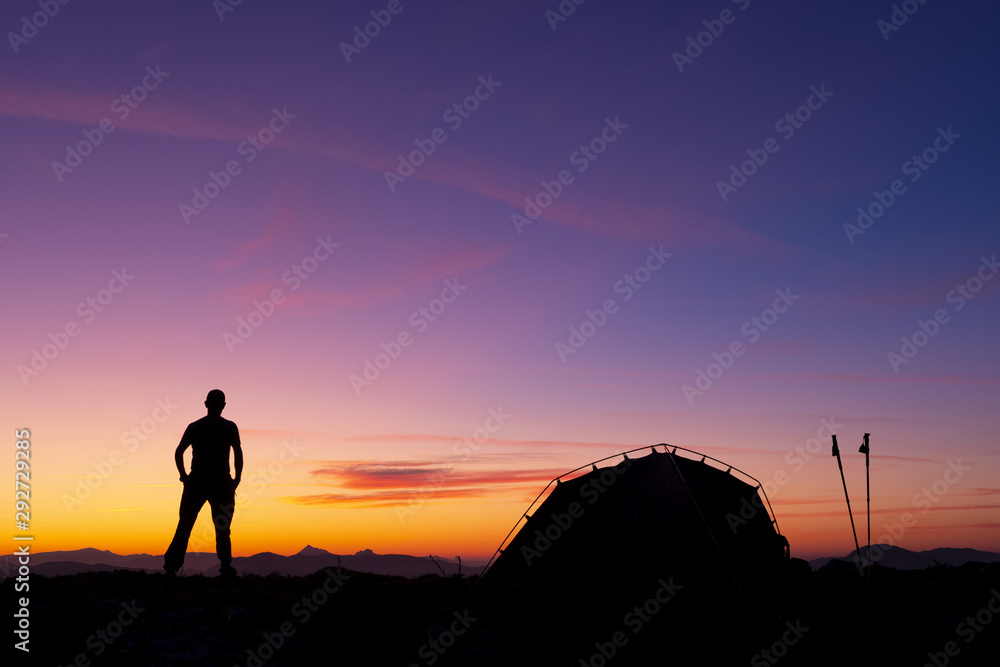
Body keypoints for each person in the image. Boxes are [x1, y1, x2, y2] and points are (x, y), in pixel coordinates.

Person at [164, 389, 243, 578]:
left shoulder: (195, 426)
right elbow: (238, 454)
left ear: (206, 404)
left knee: (184, 526)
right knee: (222, 528)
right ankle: (225, 567)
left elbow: (178, 452)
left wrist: (184, 476)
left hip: (197, 482)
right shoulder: (230, 427)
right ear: (223, 406)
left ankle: (171, 568)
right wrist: (236, 480)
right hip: (222, 483)